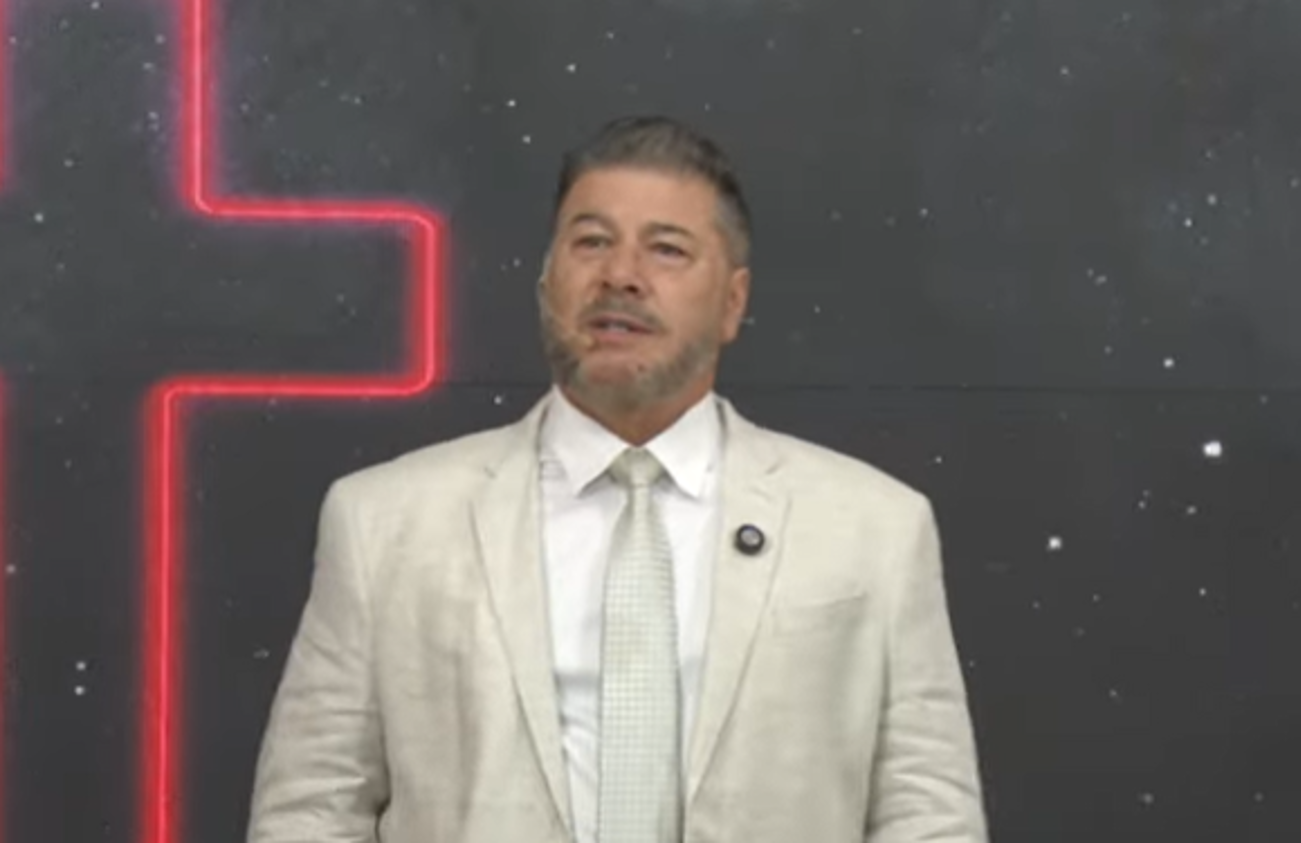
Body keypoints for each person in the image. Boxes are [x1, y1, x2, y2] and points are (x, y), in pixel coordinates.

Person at [246, 114, 989, 843]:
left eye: (666, 250)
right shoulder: (384, 524)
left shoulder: (875, 529)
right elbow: (310, 809)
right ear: (546, 282)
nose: (621, 276)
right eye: (592, 241)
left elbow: (930, 818)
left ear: (733, 302)